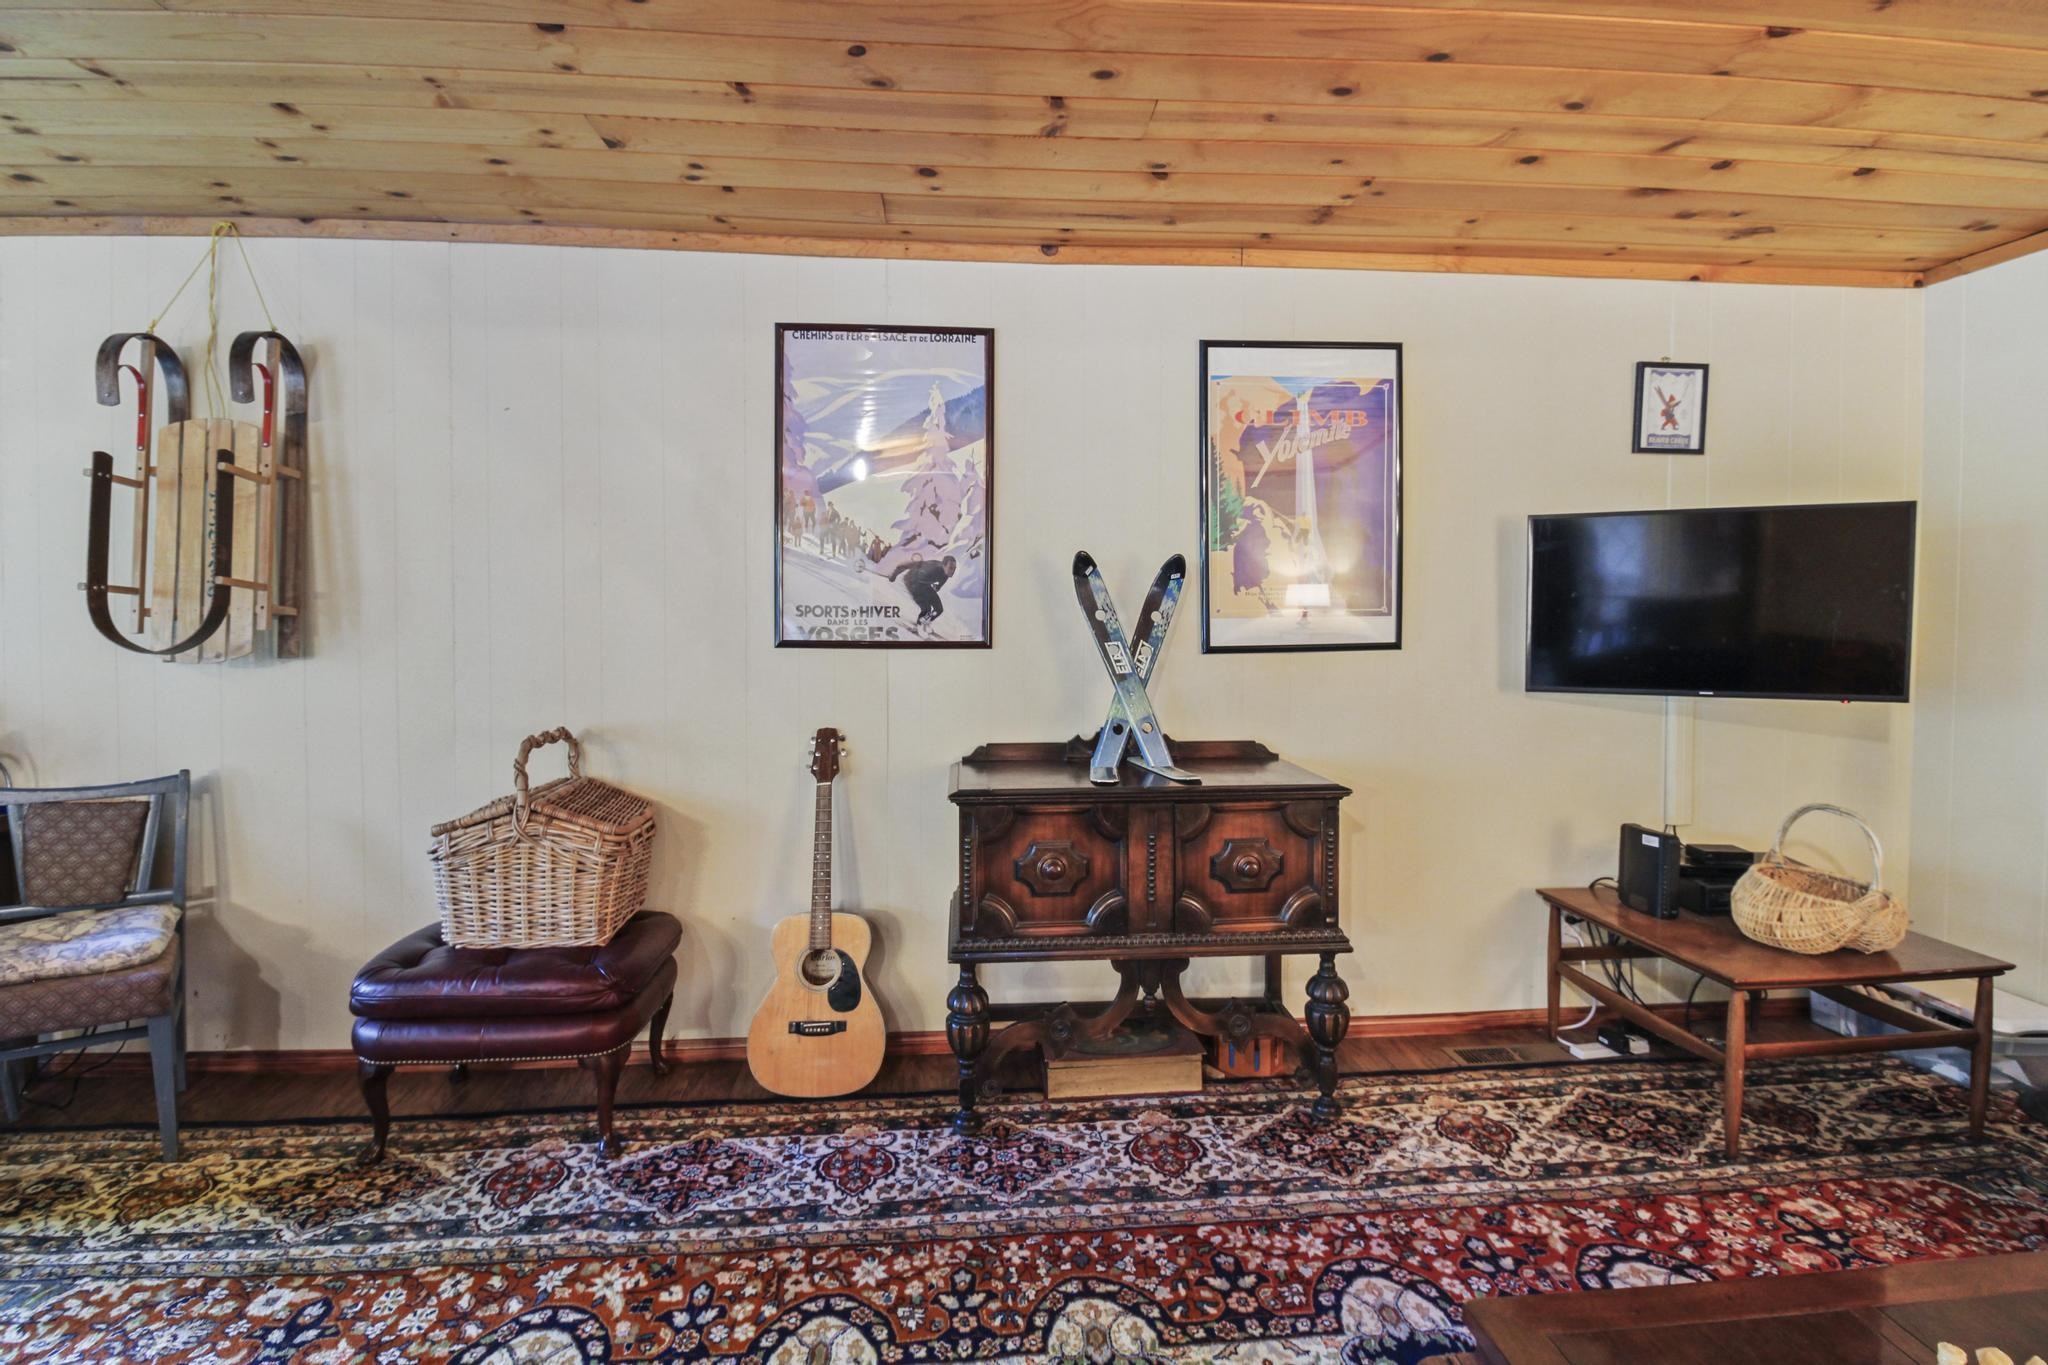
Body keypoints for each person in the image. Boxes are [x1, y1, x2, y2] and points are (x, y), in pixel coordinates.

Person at [889, 554, 957, 631]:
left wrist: (937, 587)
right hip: (912, 583)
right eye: (951, 568)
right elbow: (908, 564)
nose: (953, 571)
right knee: (926, 609)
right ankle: (919, 625)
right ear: (943, 565)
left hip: (925, 585)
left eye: (954, 568)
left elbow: (941, 582)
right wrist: (894, 574)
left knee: (938, 609)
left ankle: (924, 622)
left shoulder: (946, 573)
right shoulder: (930, 568)